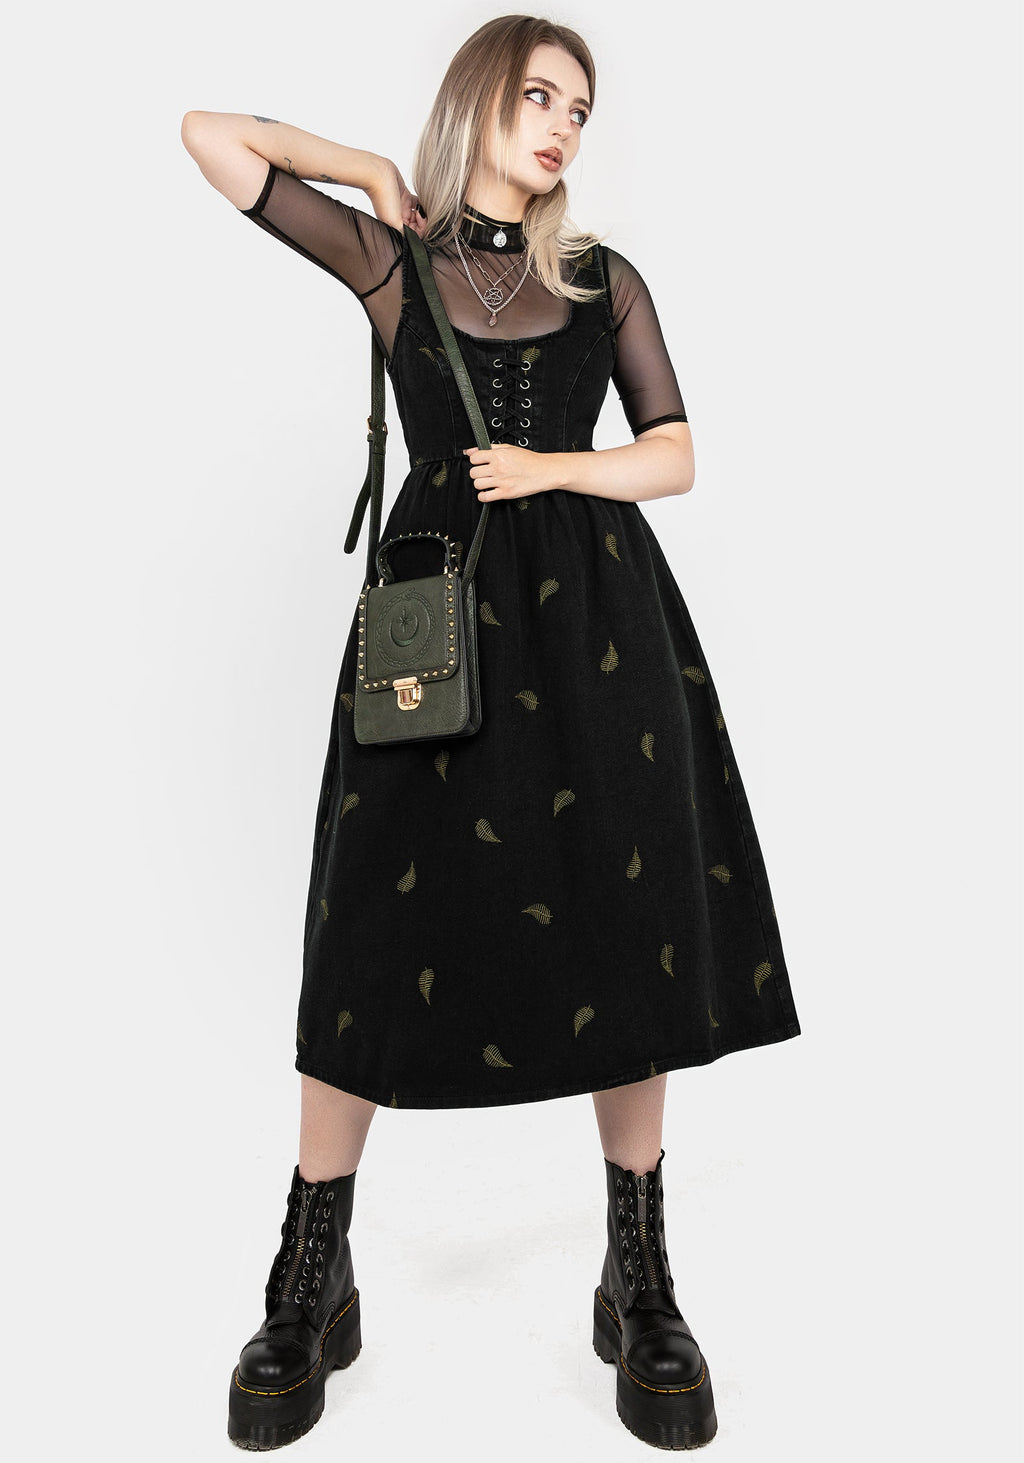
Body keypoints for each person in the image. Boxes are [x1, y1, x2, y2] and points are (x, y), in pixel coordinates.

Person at [181, 13, 802, 1452]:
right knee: (365, 925)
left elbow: (677, 454)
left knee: (627, 918)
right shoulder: (390, 264)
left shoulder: (600, 278)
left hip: (600, 626)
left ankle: (636, 1270)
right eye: (538, 96)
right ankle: (313, 1266)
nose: (564, 125)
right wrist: (366, 170)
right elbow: (213, 140)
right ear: (481, 102)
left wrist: (553, 469)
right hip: (434, 628)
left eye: (580, 108)